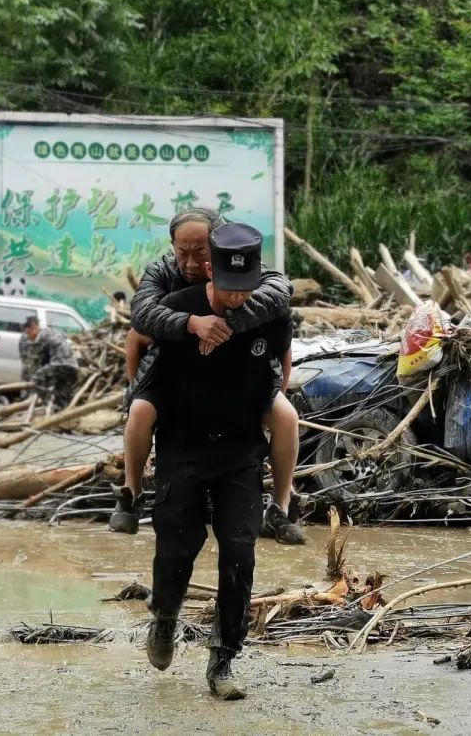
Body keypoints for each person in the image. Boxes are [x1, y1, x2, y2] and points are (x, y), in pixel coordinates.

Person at [144, 222, 291, 700]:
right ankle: (165, 618)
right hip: (182, 450)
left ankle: (223, 660)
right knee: (176, 550)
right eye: (227, 291)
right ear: (210, 271)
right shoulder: (176, 311)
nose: (235, 299)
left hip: (240, 452)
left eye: (244, 290)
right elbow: (147, 365)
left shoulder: (269, 313)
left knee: (239, 554)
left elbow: (282, 371)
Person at [109, 207, 303, 545]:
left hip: (242, 377)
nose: (190, 262)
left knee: (286, 416)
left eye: (200, 252)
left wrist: (230, 319)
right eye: (182, 252)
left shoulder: (244, 269)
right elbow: (140, 320)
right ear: (172, 247)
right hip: (175, 377)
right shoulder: (162, 276)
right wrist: (192, 323)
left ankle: (282, 506)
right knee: (140, 411)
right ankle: (132, 493)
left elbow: (280, 292)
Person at [19, 316, 79, 412]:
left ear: (34, 328)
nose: (28, 336)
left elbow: (37, 358)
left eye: (28, 333)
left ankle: (41, 402)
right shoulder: (51, 332)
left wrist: (35, 376)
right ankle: (62, 411)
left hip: (59, 364)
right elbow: (64, 336)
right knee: (62, 391)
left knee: (37, 378)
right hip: (72, 366)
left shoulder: (44, 336)